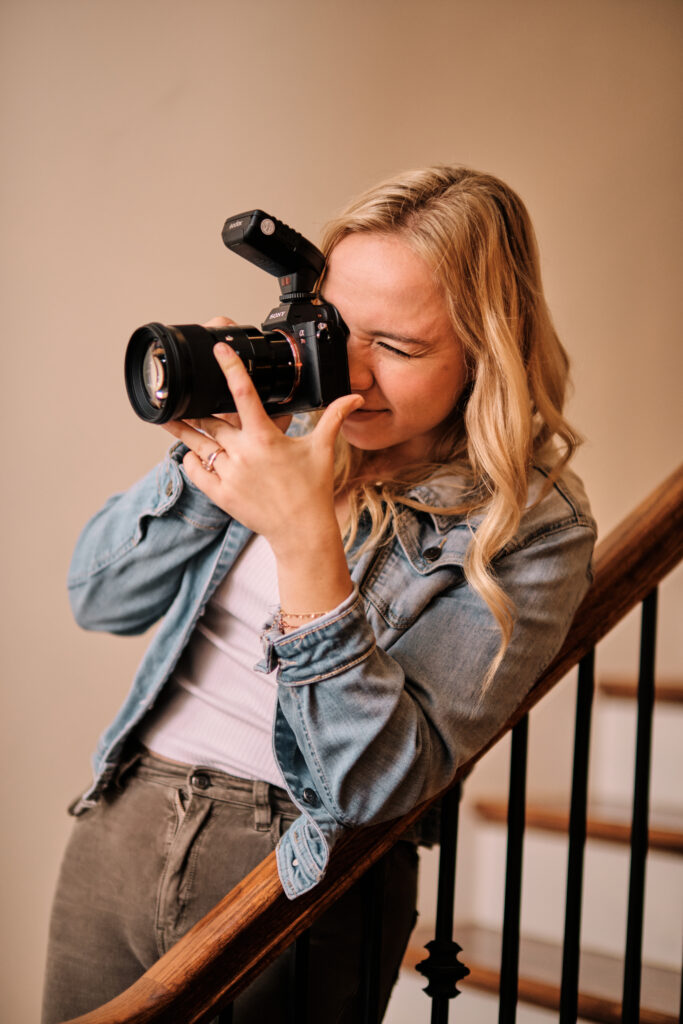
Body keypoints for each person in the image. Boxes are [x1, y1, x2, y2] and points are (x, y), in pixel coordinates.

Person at [43, 165, 596, 1023]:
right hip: (126, 815)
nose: (351, 372)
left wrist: (305, 541)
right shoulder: (285, 428)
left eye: (400, 347)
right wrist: (202, 462)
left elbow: (378, 786)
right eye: (335, 329)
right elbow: (101, 599)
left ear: (485, 352)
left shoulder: (527, 526)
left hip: (297, 871)